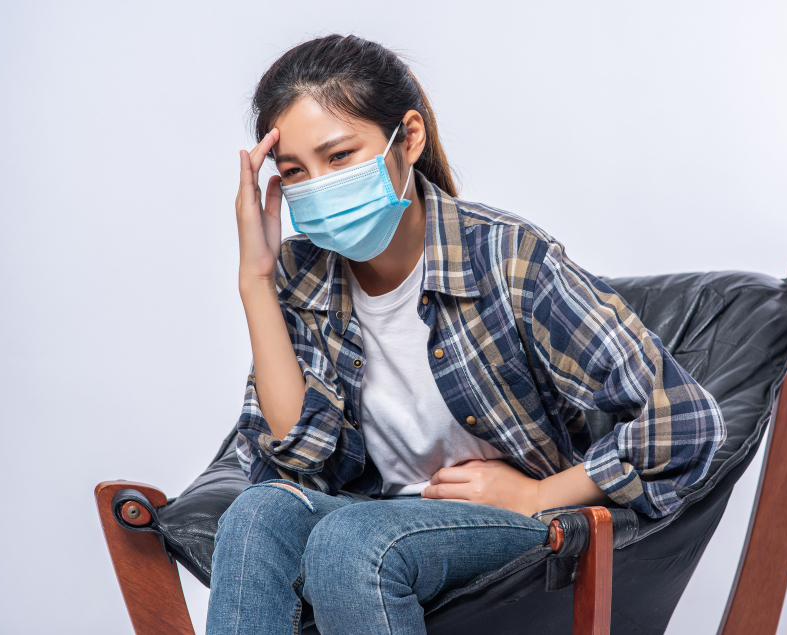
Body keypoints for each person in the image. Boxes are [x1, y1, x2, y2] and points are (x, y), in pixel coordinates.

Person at [206, 33, 726, 635]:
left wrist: (539, 496)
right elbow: (295, 458)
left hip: (510, 526)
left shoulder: (507, 260)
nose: (318, 185)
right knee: (257, 515)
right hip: (369, 514)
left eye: (340, 156)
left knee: (353, 541)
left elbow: (686, 422)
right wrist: (256, 279)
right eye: (295, 171)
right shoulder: (299, 275)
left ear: (410, 138)